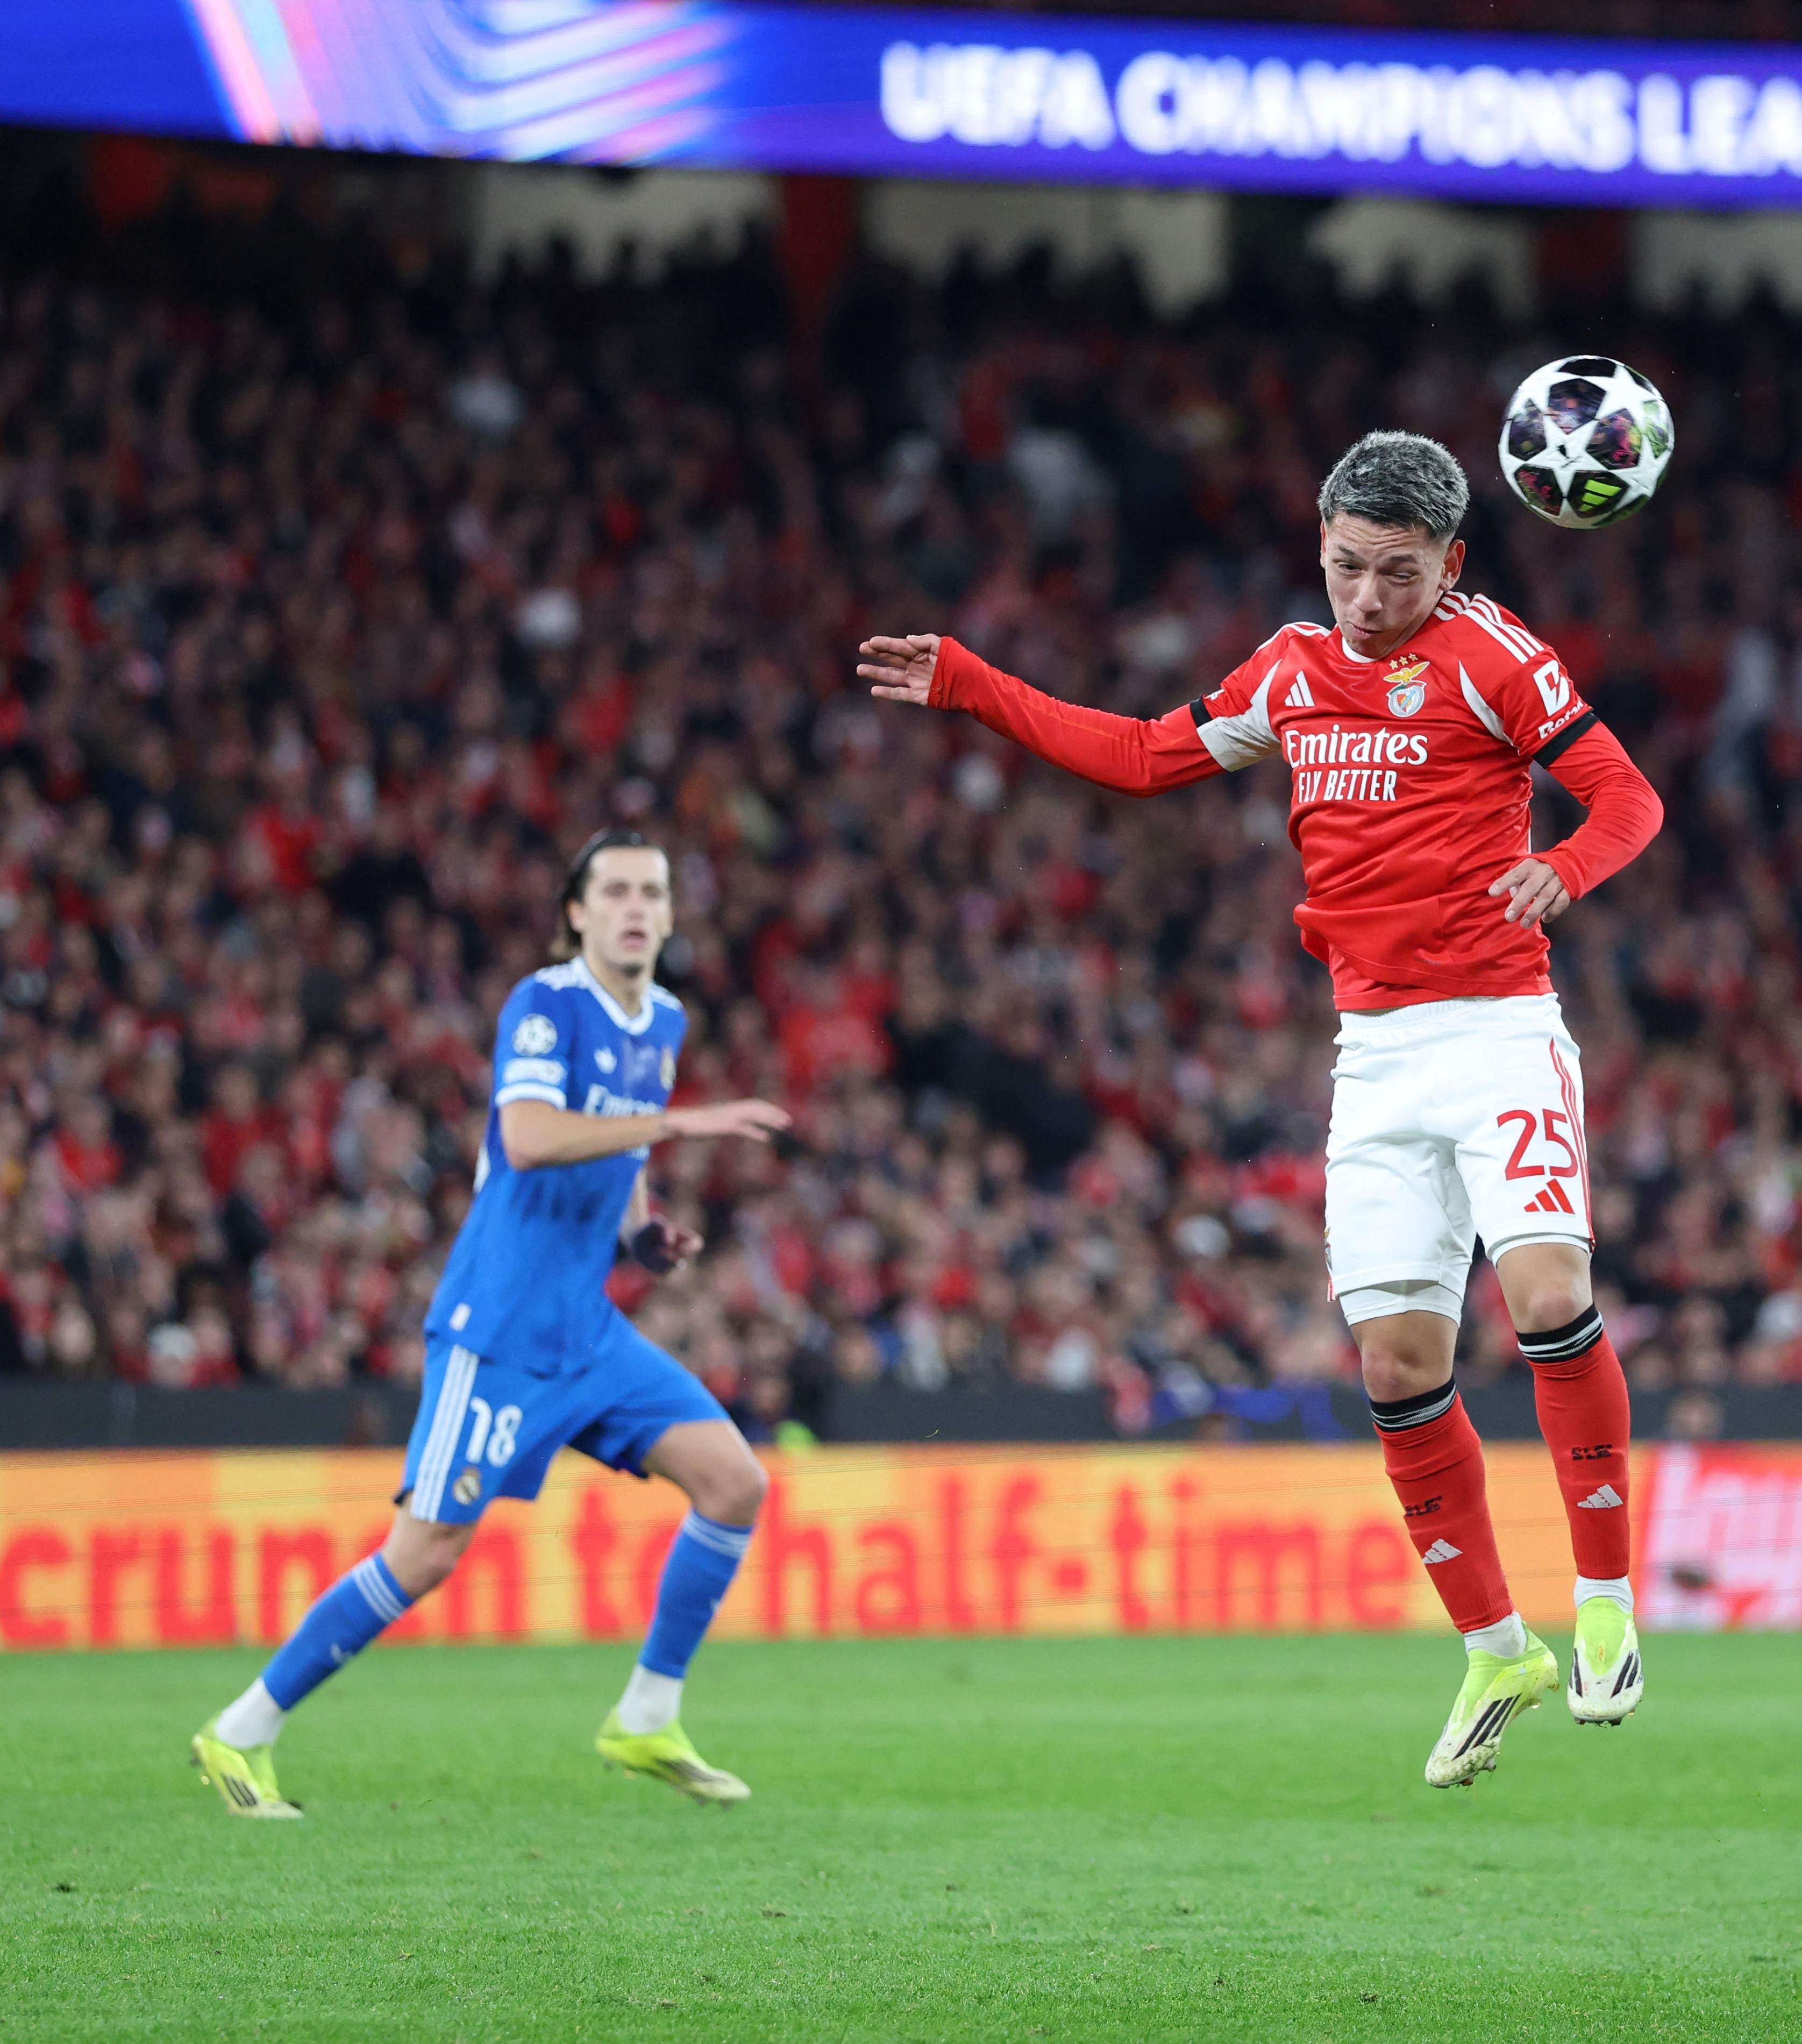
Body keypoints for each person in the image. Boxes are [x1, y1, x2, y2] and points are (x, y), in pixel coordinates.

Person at [861, 431, 1665, 1787]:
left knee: (1542, 1295)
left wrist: (1567, 871)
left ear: (1450, 563)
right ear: (1321, 548)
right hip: (1374, 1058)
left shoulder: (1493, 657)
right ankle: (1493, 1644)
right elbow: (1135, 756)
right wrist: (971, 684)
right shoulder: (1285, 672)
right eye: (1347, 566)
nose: (1366, 596)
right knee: (1398, 1368)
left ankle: (1604, 1601)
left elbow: (1625, 797)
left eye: (1397, 574)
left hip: (1498, 1031)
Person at [192, 831, 793, 1817]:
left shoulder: (666, 1019)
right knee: (425, 1553)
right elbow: (530, 1135)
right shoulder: (545, 1004)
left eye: (654, 892)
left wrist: (641, 1236)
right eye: (616, 892)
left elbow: (618, 1150)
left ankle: (646, 1716)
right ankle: (242, 1728)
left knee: (734, 1483)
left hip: (587, 1333)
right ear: (577, 913)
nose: (637, 908)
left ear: (673, 915)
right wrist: (682, 1124)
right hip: (499, 1328)